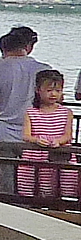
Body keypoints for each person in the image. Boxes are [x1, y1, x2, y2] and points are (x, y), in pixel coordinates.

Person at [18, 68, 79, 201]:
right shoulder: (31, 112)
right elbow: (26, 135)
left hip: (59, 153)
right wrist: (37, 140)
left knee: (64, 185)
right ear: (38, 90)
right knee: (32, 186)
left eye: (57, 91)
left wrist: (58, 141)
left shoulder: (66, 112)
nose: (53, 94)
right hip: (35, 154)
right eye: (49, 90)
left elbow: (68, 135)